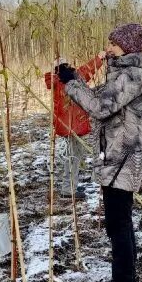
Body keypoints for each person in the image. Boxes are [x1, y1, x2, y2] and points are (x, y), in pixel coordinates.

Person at [57, 23, 142, 282]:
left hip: (123, 159)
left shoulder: (132, 75)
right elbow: (102, 98)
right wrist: (74, 77)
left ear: (126, 46)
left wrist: (70, 84)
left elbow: (100, 107)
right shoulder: (122, 73)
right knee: (120, 225)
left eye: (113, 43)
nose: (108, 47)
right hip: (117, 158)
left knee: (119, 226)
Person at [44, 52, 104, 200]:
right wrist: (99, 57)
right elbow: (87, 70)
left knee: (73, 156)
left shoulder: (56, 81)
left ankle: (71, 186)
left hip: (67, 126)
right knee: (73, 157)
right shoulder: (72, 78)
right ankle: (68, 190)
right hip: (74, 126)